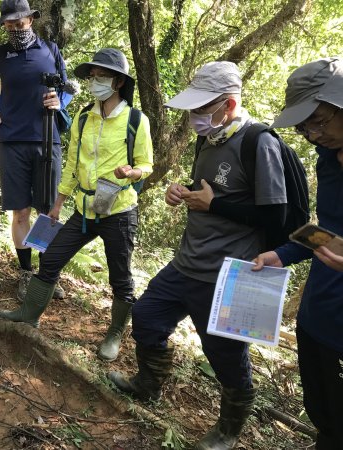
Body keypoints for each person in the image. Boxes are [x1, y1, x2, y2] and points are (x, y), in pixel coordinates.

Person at [108, 61, 288, 449]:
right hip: (188, 261)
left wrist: (215, 205)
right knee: (147, 315)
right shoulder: (209, 139)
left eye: (202, 110)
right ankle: (148, 384)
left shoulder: (260, 143)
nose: (194, 118)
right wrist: (182, 191)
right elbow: (207, 189)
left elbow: (276, 215)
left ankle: (227, 429)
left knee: (225, 354)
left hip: (229, 272)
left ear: (229, 104)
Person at [0, 48, 154, 362]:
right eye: (93, 76)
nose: (96, 81)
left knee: (120, 277)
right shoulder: (84, 116)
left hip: (119, 212)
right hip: (84, 210)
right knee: (52, 257)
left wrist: (132, 172)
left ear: (119, 82)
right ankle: (29, 314)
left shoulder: (135, 120)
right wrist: (57, 204)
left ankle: (114, 334)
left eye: (102, 76)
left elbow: (147, 165)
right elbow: (72, 164)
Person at [253, 57, 343, 450]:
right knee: (324, 412)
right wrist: (284, 254)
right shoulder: (328, 159)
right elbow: (330, 230)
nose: (313, 134)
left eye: (320, 121)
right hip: (318, 311)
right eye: (305, 126)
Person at [0, 0, 72, 301]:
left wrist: (60, 103)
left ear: (30, 21)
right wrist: (0, 104)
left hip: (48, 136)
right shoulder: (0, 54)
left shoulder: (50, 49)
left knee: (47, 211)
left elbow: (67, 88)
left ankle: (46, 276)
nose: (16, 28)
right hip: (12, 140)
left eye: (20, 23)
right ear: (4, 25)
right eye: (10, 24)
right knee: (20, 210)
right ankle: (25, 273)